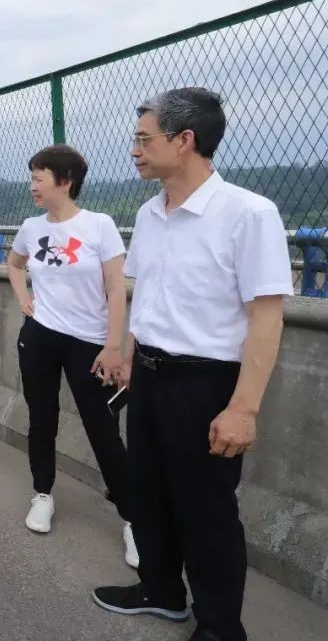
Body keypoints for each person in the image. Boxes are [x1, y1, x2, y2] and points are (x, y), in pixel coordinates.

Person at [92, 88, 292, 641]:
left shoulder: (248, 214)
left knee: (205, 510)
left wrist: (243, 409)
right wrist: (128, 355)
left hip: (205, 383)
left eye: (143, 138)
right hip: (149, 376)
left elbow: (266, 318)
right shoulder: (149, 214)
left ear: (184, 140)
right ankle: (161, 590)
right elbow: (148, 295)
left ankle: (221, 626)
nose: (134, 149)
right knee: (148, 492)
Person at [6, 144, 138, 568]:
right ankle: (42, 494)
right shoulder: (31, 227)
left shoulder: (99, 225)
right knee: (41, 418)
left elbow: (116, 288)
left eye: (38, 178)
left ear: (65, 181)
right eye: (31, 178)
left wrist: (113, 345)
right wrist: (24, 298)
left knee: (104, 430)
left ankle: (134, 519)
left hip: (90, 344)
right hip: (40, 337)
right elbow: (14, 264)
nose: (32, 186)